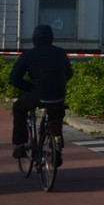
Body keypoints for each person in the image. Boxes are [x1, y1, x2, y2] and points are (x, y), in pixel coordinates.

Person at [10, 25, 73, 159]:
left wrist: (30, 87)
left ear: (34, 39)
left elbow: (14, 79)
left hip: (37, 95)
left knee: (19, 108)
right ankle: (56, 147)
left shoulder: (28, 55)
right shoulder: (60, 52)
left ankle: (20, 145)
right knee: (56, 116)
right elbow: (69, 74)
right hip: (58, 95)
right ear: (51, 38)